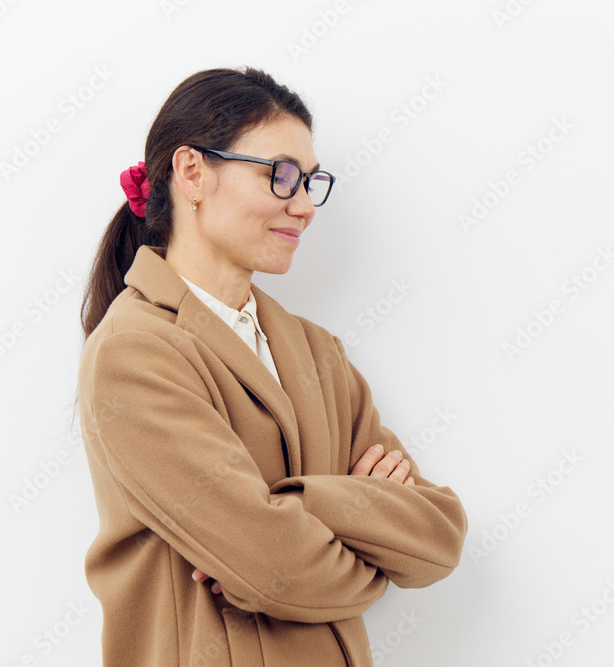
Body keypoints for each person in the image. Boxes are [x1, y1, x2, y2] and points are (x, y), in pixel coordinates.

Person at [75, 66, 467, 666]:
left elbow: (439, 537)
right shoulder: (134, 351)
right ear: (192, 172)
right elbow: (273, 568)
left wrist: (292, 506)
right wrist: (366, 531)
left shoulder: (315, 351)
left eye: (310, 181)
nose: (304, 206)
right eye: (280, 176)